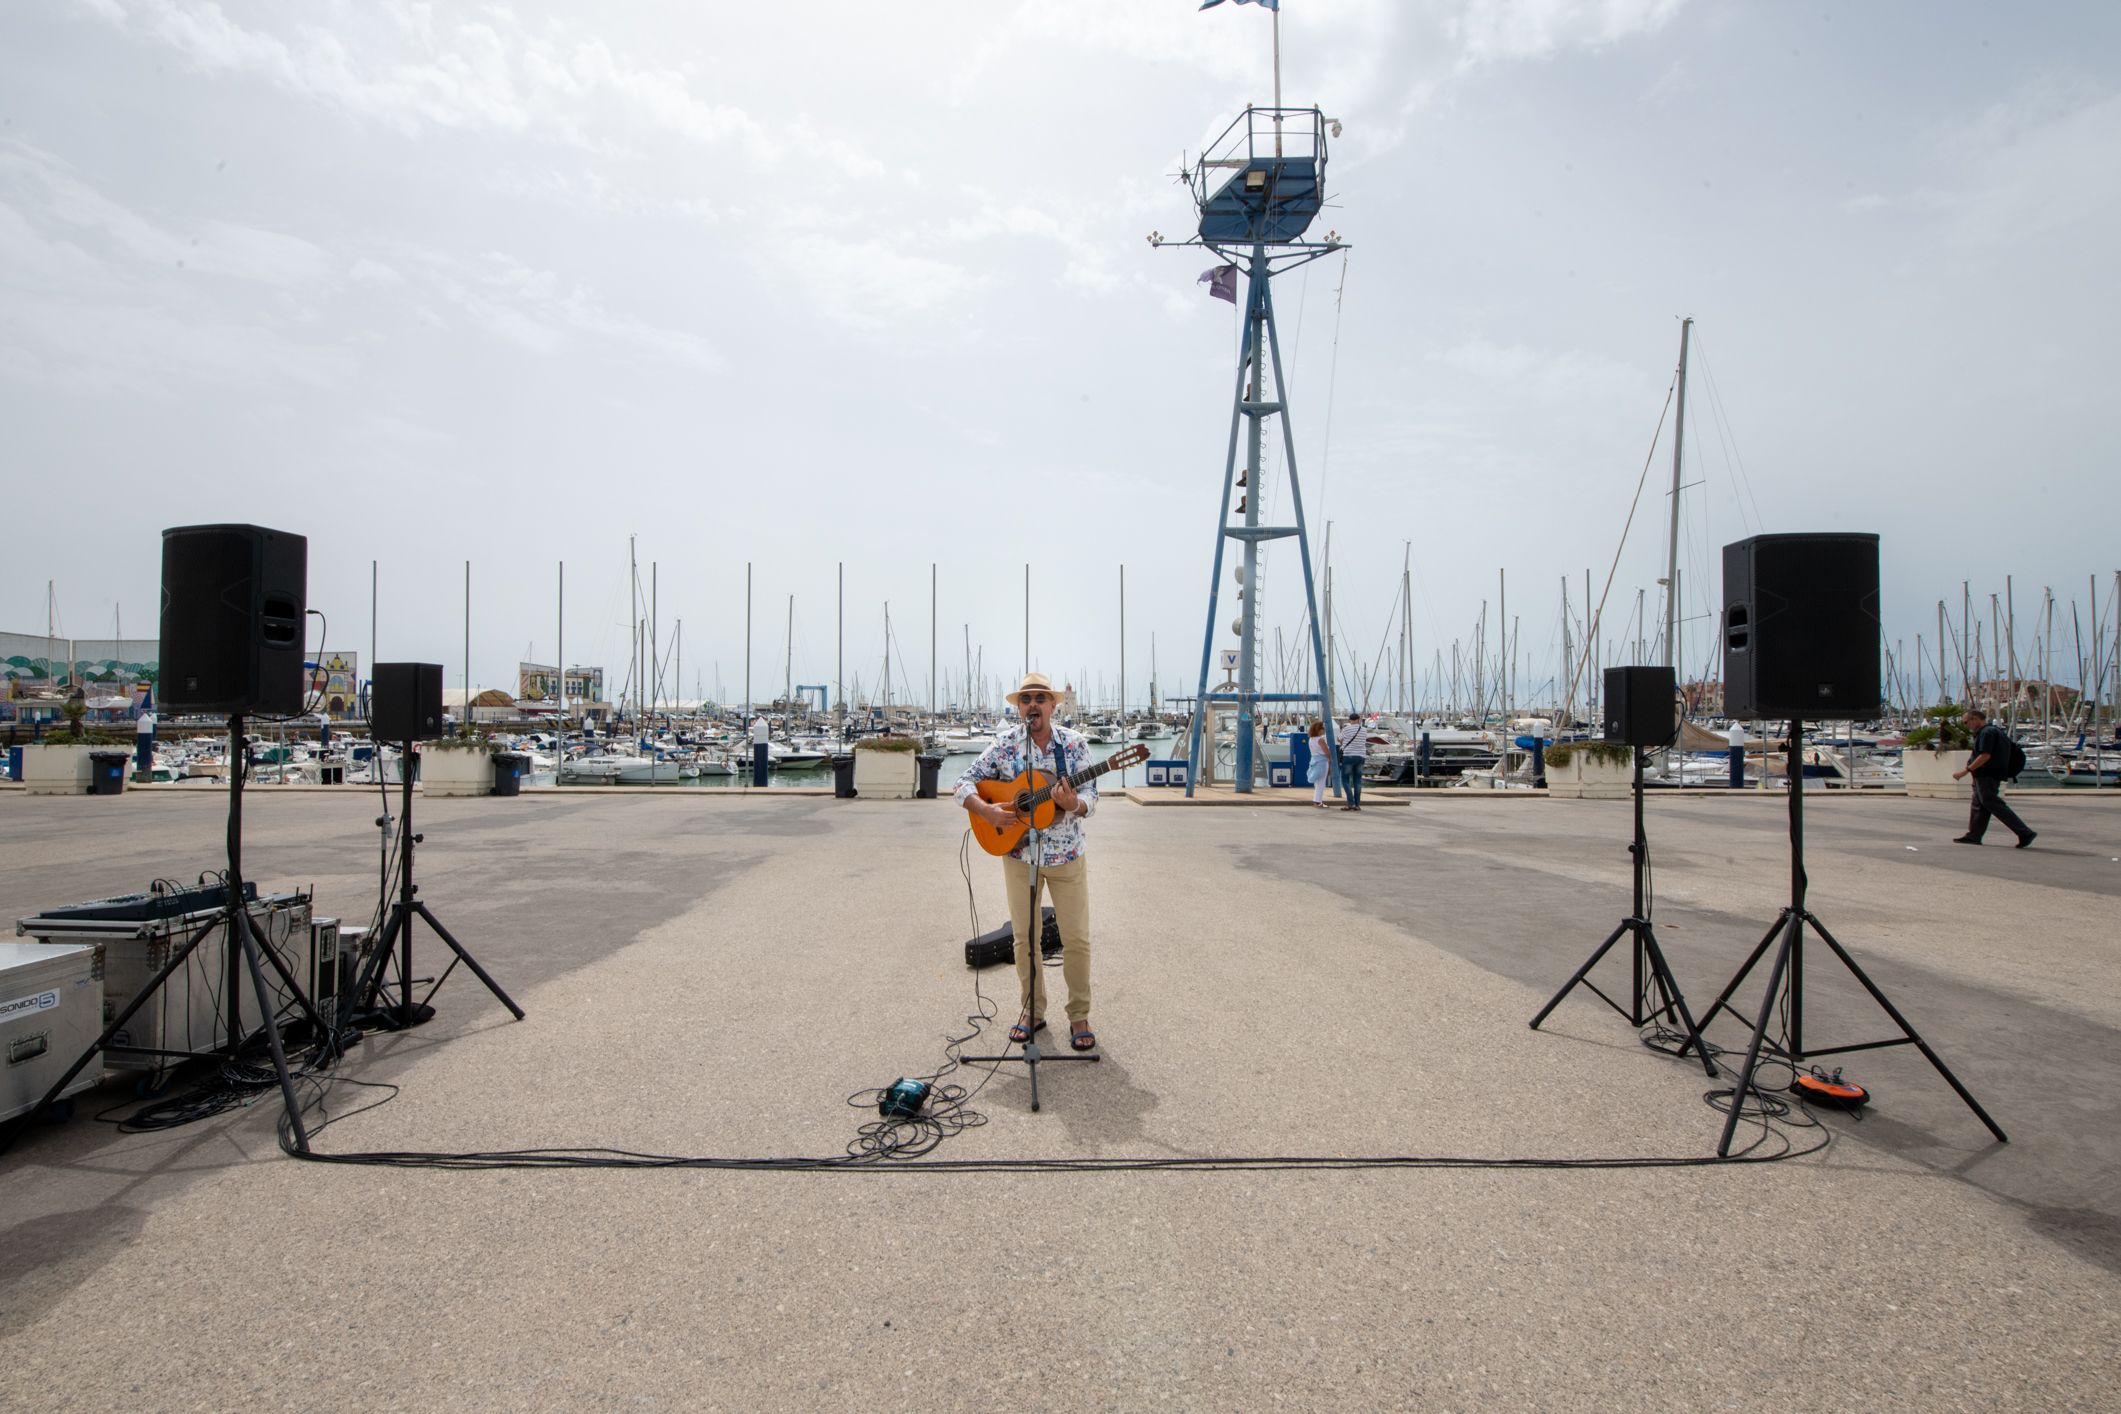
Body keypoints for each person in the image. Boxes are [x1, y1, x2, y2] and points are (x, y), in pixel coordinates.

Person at [954, 671, 1099, 1052]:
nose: (1032, 705)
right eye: (1026, 699)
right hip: (1020, 856)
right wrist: (986, 811)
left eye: (1039, 698)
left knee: (1076, 938)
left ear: (1052, 705)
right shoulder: (1004, 745)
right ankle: (1032, 1011)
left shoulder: (1074, 745)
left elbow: (1092, 796)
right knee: (1024, 938)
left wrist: (1074, 804)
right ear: (1019, 707)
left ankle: (1079, 1015)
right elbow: (962, 783)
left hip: (1066, 855)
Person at [1952, 707, 2035, 848]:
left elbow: (1985, 755)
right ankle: (1974, 835)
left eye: (1966, 722)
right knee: (1979, 805)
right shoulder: (1994, 731)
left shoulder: (1987, 732)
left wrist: (1965, 771)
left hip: (1987, 775)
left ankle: (2024, 832)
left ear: (1975, 719)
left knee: (1992, 803)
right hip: (1985, 775)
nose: (1966, 726)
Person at [1335, 711, 1368, 811]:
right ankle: (1357, 805)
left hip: (1349, 756)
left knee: (1345, 780)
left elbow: (1339, 739)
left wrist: (1343, 741)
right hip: (1361, 756)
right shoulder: (1364, 730)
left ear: (1350, 720)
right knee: (1357, 781)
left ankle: (1351, 803)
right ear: (1359, 720)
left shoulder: (1346, 729)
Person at [1306, 718, 1332, 807]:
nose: (1324, 730)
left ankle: (1317, 800)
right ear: (1319, 730)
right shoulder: (1320, 740)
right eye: (1323, 728)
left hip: (1314, 761)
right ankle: (1318, 801)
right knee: (1321, 782)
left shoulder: (1311, 739)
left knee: (1317, 782)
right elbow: (1327, 752)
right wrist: (1330, 760)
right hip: (1322, 762)